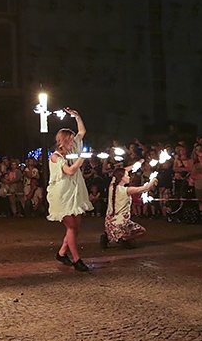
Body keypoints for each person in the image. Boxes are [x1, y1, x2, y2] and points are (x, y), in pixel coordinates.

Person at [47, 108, 93, 272]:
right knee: (71, 226)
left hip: (74, 192)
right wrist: (82, 158)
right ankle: (77, 259)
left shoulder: (72, 150)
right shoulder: (55, 156)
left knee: (75, 228)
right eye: (71, 140)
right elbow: (70, 171)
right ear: (63, 140)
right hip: (62, 195)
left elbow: (82, 131)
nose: (74, 142)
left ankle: (61, 253)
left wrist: (77, 116)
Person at [102, 167, 158, 248]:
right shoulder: (127, 190)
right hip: (121, 223)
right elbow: (145, 188)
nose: (129, 177)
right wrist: (153, 180)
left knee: (121, 228)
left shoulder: (111, 186)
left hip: (109, 223)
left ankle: (109, 236)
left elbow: (116, 173)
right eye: (127, 175)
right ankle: (123, 238)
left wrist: (135, 165)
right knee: (142, 231)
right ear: (122, 178)